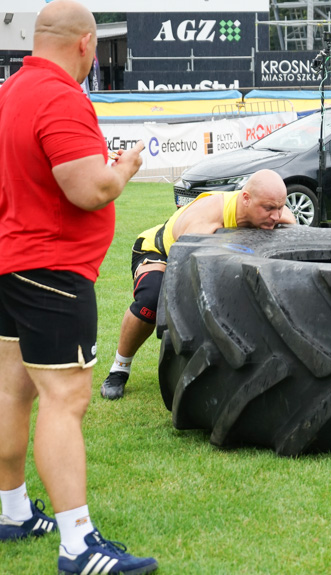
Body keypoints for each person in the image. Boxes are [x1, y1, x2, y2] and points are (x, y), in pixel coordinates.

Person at [0, 1, 158, 573]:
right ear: (88, 44)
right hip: (52, 270)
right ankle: (78, 544)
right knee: (64, 402)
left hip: (13, 261)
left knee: (13, 392)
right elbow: (88, 190)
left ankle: (13, 512)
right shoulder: (61, 96)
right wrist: (125, 169)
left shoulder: (11, 91)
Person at [100, 170, 296, 400]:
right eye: (269, 208)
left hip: (207, 256)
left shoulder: (276, 213)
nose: (276, 216)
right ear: (245, 199)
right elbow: (182, 263)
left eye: (280, 207)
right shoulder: (207, 217)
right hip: (160, 251)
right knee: (151, 301)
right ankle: (119, 370)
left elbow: (290, 230)